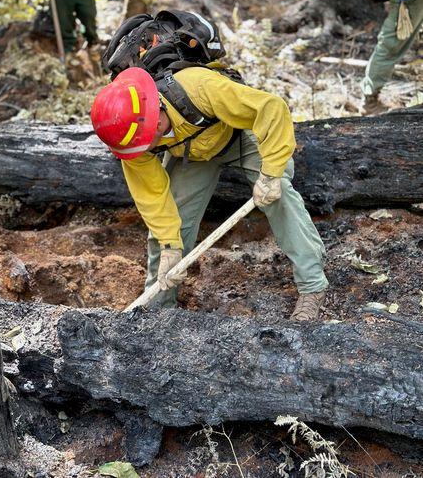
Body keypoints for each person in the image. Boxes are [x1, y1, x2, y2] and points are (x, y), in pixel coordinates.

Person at [91, 66, 329, 321]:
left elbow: (272, 108)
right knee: (168, 232)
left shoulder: (200, 88)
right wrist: (170, 245)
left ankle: (313, 286)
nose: (140, 151)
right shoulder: (131, 141)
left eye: (144, 144)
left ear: (156, 121)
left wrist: (270, 174)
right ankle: (157, 311)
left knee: (279, 195)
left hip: (237, 136)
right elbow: (152, 197)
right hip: (191, 155)